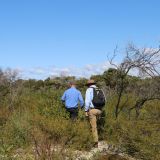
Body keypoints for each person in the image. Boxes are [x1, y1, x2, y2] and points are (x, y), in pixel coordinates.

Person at [85, 79, 104, 148]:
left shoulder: (89, 90)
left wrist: (86, 111)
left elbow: (87, 101)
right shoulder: (100, 90)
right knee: (99, 125)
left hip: (92, 110)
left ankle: (95, 143)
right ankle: (101, 136)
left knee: (93, 127)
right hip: (100, 110)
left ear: (88, 85)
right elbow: (105, 100)